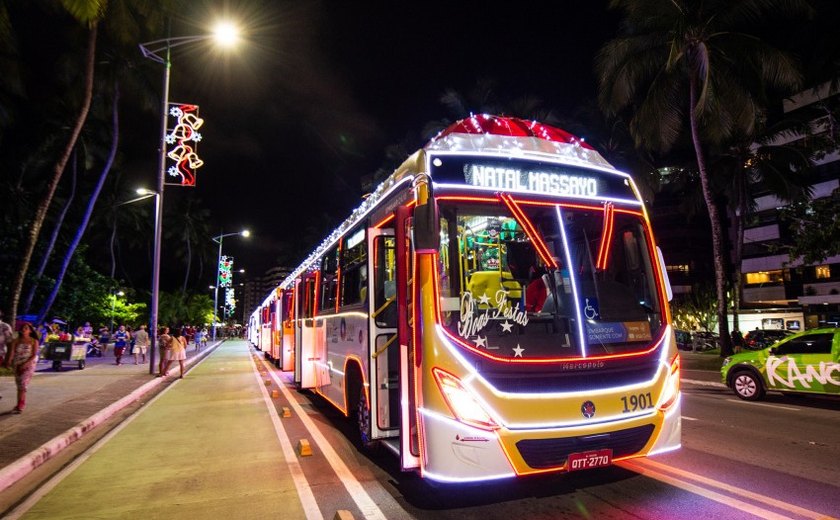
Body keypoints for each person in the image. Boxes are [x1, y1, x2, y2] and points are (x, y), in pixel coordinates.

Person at [6, 322, 39, 413]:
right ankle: (19, 404)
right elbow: (12, 352)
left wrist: (26, 364)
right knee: (19, 385)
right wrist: (9, 361)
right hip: (17, 363)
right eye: (23, 328)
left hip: (29, 364)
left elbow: (33, 355)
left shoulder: (33, 341)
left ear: (30, 331)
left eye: (26, 328)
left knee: (23, 384)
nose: (24, 329)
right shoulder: (16, 340)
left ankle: (20, 405)